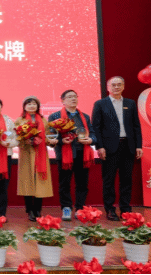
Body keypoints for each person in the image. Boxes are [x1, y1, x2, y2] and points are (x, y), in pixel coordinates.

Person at [92, 76, 143, 221]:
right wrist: (100, 146)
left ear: (123, 86)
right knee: (109, 180)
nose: (116, 87)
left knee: (126, 180)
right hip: (109, 148)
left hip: (128, 146)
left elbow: (136, 126)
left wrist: (138, 145)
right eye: (113, 85)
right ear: (108, 87)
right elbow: (96, 127)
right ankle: (110, 209)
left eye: (119, 84)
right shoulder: (100, 104)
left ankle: (126, 209)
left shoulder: (130, 103)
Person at [47, 90, 97, 221]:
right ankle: (66, 208)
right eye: (69, 97)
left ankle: (80, 208)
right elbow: (51, 136)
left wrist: (90, 140)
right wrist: (61, 140)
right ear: (63, 101)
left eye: (75, 96)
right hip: (65, 155)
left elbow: (92, 133)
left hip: (82, 154)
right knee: (65, 184)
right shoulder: (54, 116)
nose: (73, 99)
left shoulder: (85, 116)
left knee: (82, 184)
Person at [15, 96, 56, 222]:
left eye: (34, 103)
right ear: (24, 106)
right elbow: (16, 138)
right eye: (29, 104)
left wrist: (52, 142)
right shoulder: (20, 120)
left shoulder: (43, 120)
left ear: (38, 106)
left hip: (41, 154)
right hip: (27, 154)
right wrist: (24, 140)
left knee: (40, 182)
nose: (32, 106)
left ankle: (38, 209)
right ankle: (29, 210)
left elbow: (47, 137)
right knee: (27, 182)